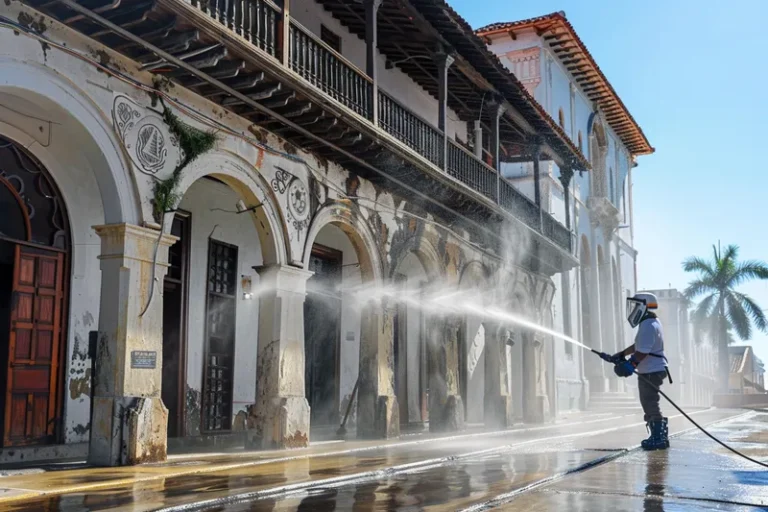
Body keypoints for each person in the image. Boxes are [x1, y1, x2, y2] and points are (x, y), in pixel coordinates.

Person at [612, 292, 671, 451]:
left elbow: (642, 351)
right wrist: (622, 354)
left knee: (650, 403)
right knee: (649, 403)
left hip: (651, 371)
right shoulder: (651, 322)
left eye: (635, 305)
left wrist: (630, 365)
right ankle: (659, 437)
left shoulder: (648, 325)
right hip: (652, 369)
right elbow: (639, 346)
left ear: (644, 305)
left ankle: (657, 438)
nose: (632, 310)